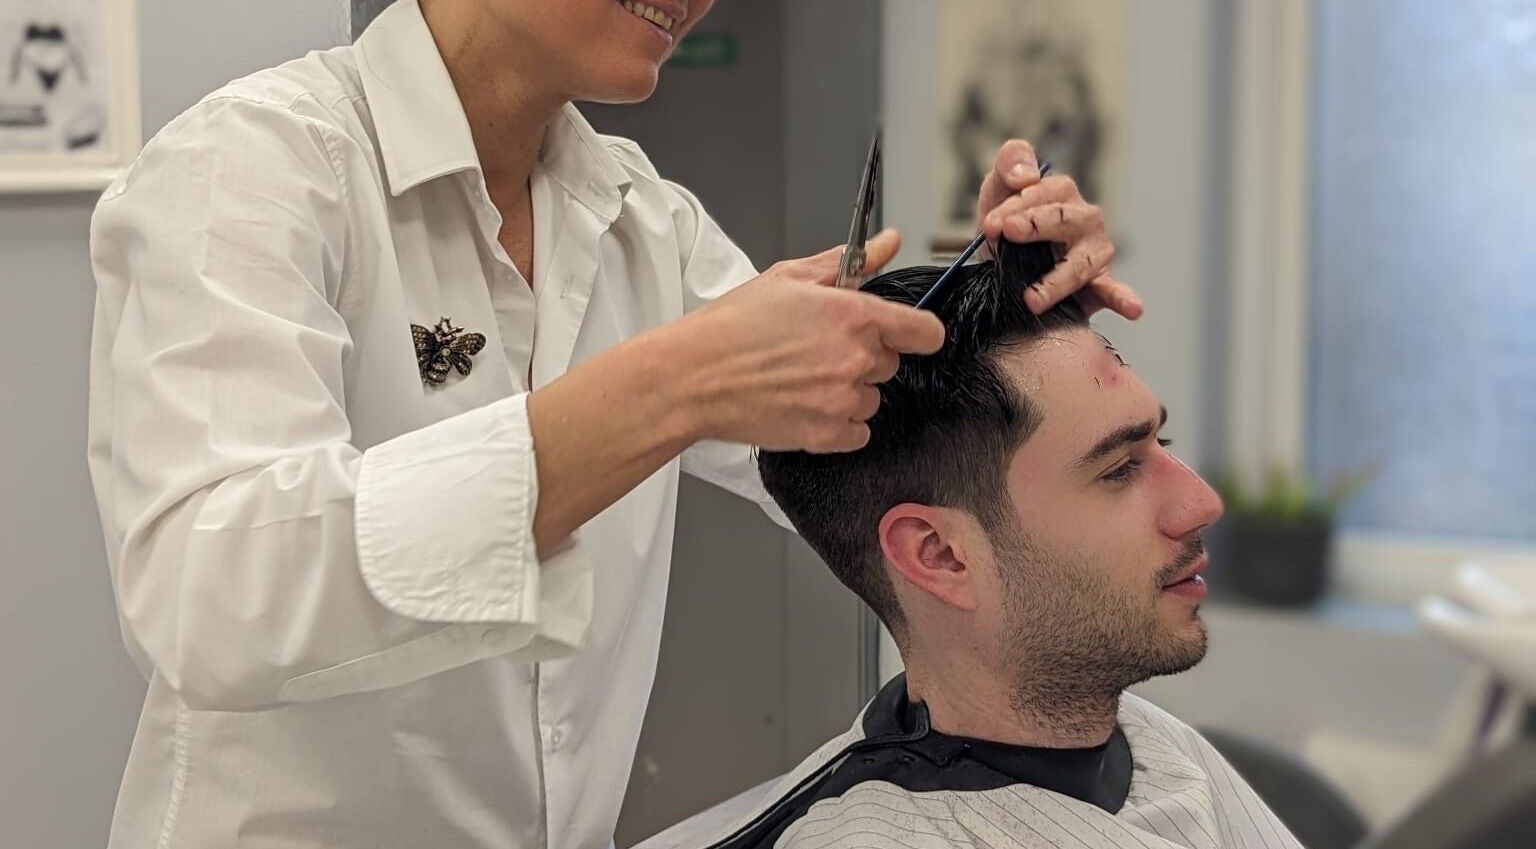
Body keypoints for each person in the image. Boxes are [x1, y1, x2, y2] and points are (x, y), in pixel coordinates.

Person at [85, 1, 1140, 847]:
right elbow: (209, 598)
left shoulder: (640, 216)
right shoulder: (254, 168)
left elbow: (851, 446)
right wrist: (670, 386)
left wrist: (1000, 299)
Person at [638, 239, 1302, 849]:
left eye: (1162, 444)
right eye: (1118, 468)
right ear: (939, 553)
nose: (1202, 503)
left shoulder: (1159, 747)